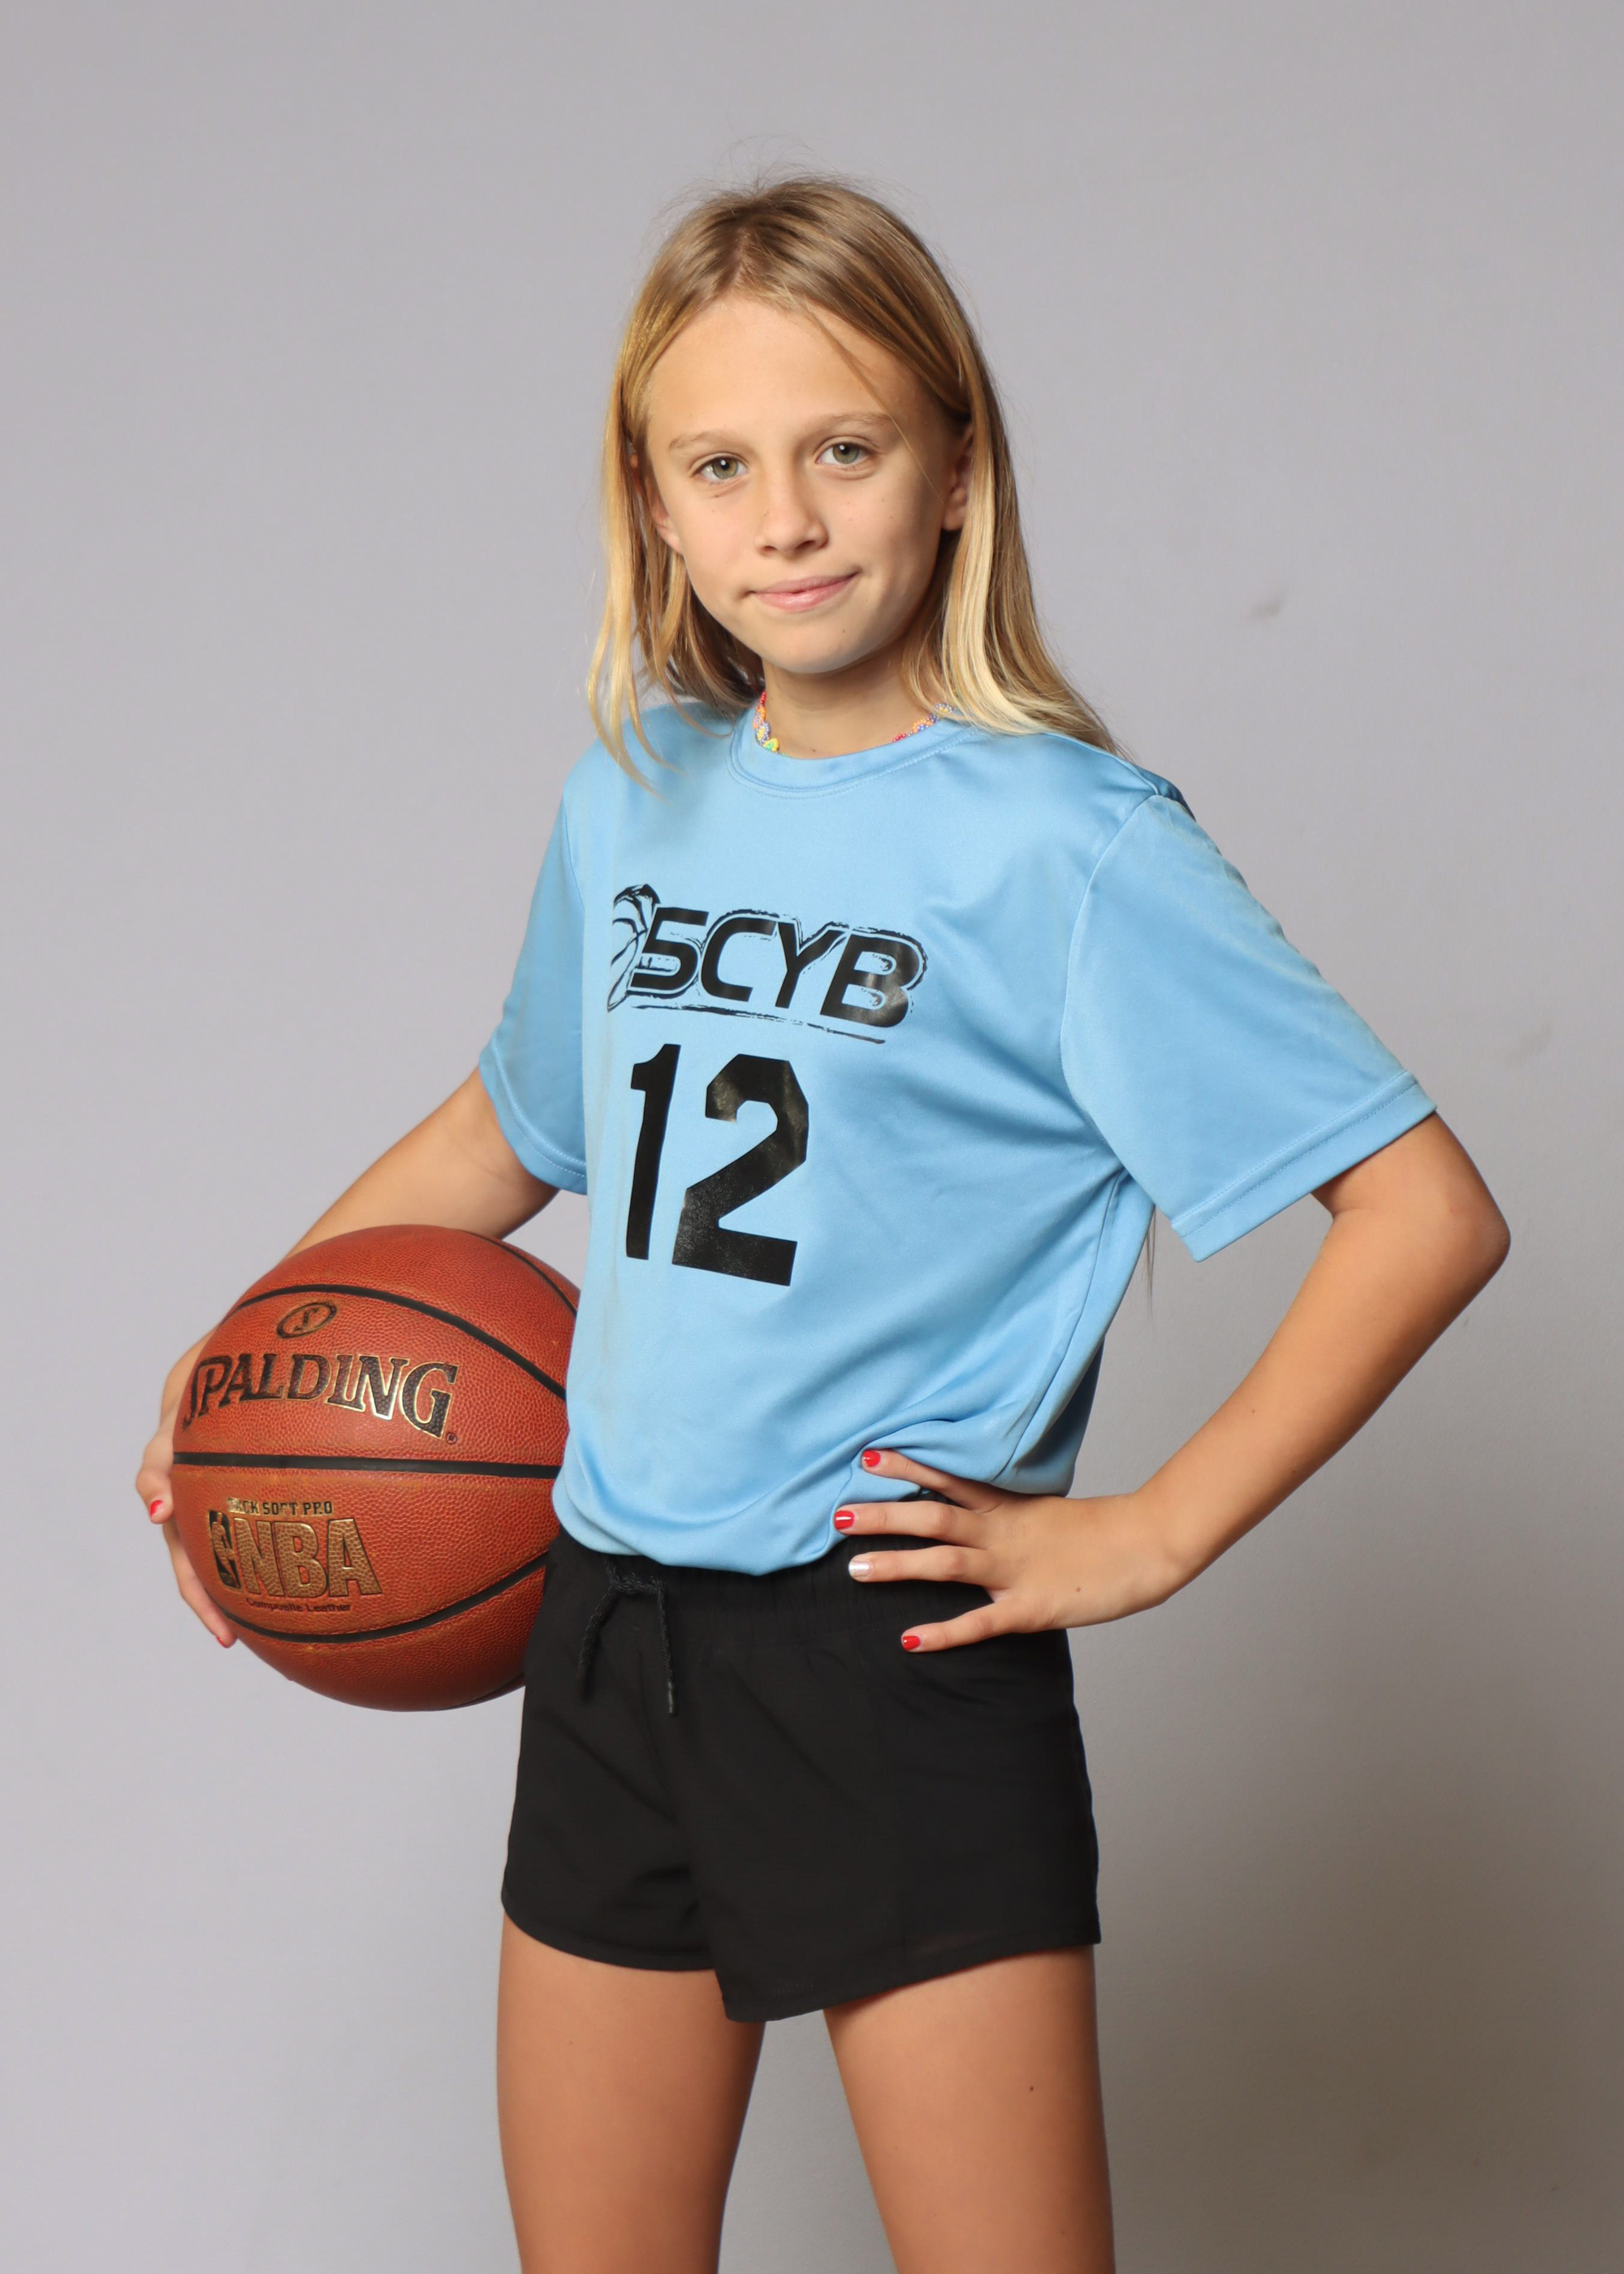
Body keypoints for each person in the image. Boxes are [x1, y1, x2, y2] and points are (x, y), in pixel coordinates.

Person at [136, 176, 1509, 2274]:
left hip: (886, 1653)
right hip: (604, 1624)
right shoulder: (634, 793)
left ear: (955, 466)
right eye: (720, 465)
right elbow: (505, 1133)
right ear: (652, 503)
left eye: (843, 448)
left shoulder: (1067, 844)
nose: (784, 519)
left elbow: (1422, 1211)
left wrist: (1150, 1532)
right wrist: (248, 1362)